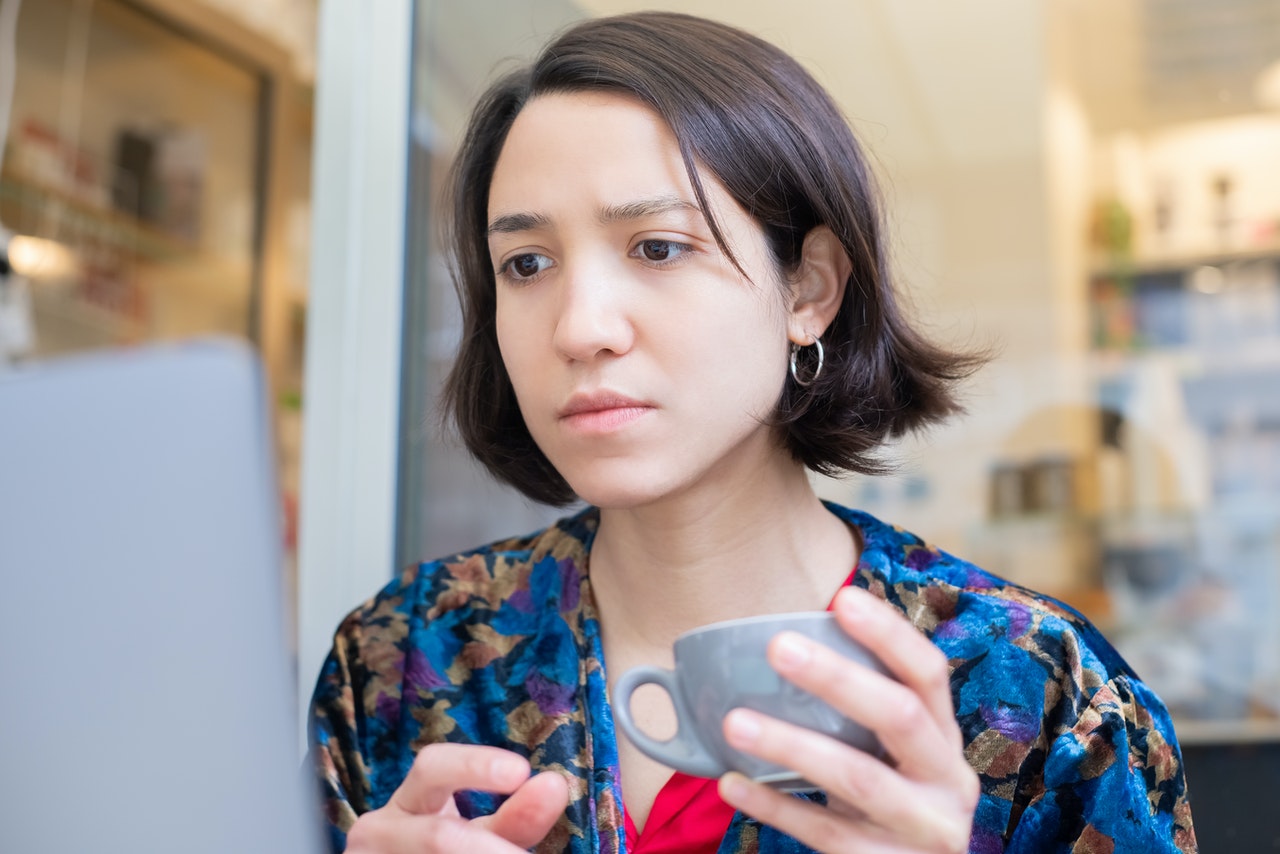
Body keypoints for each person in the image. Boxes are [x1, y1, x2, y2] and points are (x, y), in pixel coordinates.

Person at [308, 12, 1196, 854]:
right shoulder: (400, 663)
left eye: (657, 248)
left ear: (808, 290)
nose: (580, 328)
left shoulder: (1039, 696)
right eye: (527, 264)